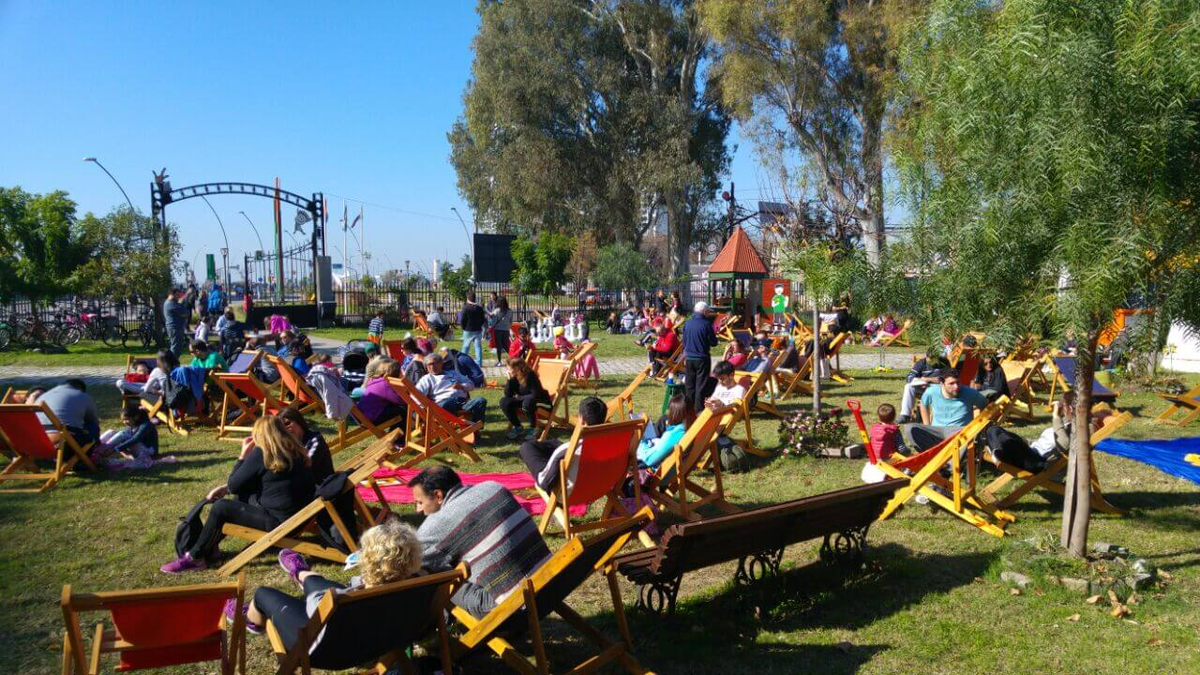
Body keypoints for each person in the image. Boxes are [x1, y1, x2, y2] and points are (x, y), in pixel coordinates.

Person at [161, 416, 315, 573]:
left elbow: (234, 485)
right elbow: (244, 486)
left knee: (221, 507)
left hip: (280, 524)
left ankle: (195, 558)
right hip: (299, 519)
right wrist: (227, 488)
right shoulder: (296, 450)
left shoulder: (263, 452)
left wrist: (242, 457)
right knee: (241, 497)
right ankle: (210, 548)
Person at [231, 518, 422, 640]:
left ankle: (252, 620)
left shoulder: (344, 598)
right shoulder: (418, 587)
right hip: (383, 639)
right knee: (317, 583)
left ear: (368, 558)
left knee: (263, 593)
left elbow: (313, 606)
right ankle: (301, 573)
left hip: (326, 647)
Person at [408, 465, 551, 618]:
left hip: (514, 607)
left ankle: (436, 624)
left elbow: (411, 562)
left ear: (438, 496)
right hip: (551, 581)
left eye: (420, 502)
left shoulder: (438, 523)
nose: (418, 510)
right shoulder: (493, 487)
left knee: (436, 577)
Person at [517, 396, 607, 491]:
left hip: (566, 492)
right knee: (555, 443)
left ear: (582, 420)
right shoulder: (608, 446)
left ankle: (546, 460)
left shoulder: (568, 449)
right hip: (594, 486)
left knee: (526, 447)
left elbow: (544, 483)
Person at [902, 368, 988, 451]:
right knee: (910, 428)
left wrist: (978, 426)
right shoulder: (931, 391)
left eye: (958, 382)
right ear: (942, 384)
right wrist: (927, 425)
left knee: (963, 439)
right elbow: (923, 405)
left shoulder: (970, 393)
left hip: (958, 431)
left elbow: (986, 406)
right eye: (951, 383)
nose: (956, 386)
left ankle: (949, 461)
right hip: (937, 430)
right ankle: (931, 454)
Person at [415, 353, 487, 422]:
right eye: (429, 364)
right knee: (449, 402)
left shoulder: (453, 373)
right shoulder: (427, 379)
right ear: (426, 367)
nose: (432, 367)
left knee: (481, 400)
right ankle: (451, 426)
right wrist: (424, 409)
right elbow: (416, 396)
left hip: (462, 403)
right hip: (443, 404)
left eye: (435, 363)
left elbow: (471, 385)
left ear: (441, 363)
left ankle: (475, 427)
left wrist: (461, 386)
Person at [277, 405, 334, 484]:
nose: (286, 429)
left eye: (287, 423)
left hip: (324, 486)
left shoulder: (315, 440)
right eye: (282, 428)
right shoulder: (287, 447)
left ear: (299, 421)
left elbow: (306, 467)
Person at [37, 379, 100, 447]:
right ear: (81, 389)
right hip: (64, 443)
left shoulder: (44, 396)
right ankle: (94, 447)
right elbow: (93, 420)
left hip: (38, 442)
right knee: (92, 425)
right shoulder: (82, 395)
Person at [95, 404, 160, 470]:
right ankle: (98, 447)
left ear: (136, 417)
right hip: (138, 450)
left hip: (149, 452)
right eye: (123, 420)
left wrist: (115, 449)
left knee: (123, 437)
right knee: (112, 432)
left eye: (126, 419)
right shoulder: (134, 423)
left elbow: (136, 439)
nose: (124, 422)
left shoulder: (146, 425)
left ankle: (100, 452)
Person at [636, 394, 691, 470]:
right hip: (676, 466)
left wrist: (639, 441)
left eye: (669, 410)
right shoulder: (689, 429)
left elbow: (649, 460)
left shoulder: (675, 434)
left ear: (673, 414)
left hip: (655, 467)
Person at [500, 357, 549, 441]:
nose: (507, 370)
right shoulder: (513, 376)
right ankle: (518, 426)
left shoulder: (530, 375)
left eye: (509, 368)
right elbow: (508, 395)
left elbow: (535, 394)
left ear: (517, 367)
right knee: (504, 402)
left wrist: (520, 398)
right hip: (522, 399)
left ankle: (532, 428)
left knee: (528, 403)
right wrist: (509, 380)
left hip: (538, 400)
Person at [682, 301, 719, 414]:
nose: (708, 313)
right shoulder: (706, 324)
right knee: (700, 384)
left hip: (689, 357)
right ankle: (698, 409)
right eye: (707, 311)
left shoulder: (687, 323)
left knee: (689, 383)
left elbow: (684, 340)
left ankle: (688, 407)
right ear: (703, 311)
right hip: (702, 358)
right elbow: (713, 342)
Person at [898, 346, 948, 423]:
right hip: (922, 388)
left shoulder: (944, 363)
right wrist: (920, 381)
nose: (930, 362)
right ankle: (905, 415)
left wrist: (929, 380)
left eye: (932, 360)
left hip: (938, 388)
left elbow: (948, 378)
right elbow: (909, 377)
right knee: (908, 386)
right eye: (928, 359)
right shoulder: (921, 363)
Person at [357, 357, 407, 428]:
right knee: (403, 411)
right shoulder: (385, 384)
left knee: (397, 410)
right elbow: (401, 400)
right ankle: (398, 438)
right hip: (372, 418)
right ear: (395, 373)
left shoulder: (375, 380)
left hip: (365, 416)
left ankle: (396, 435)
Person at [459, 292, 487, 365]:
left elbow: (462, 320)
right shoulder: (479, 308)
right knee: (478, 347)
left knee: (465, 346)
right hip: (477, 329)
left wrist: (463, 327)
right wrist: (479, 325)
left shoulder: (465, 307)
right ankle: (479, 362)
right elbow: (483, 319)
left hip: (468, 329)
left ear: (468, 298)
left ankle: (462, 362)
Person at [163, 287, 192, 356]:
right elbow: (185, 312)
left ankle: (173, 362)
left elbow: (185, 313)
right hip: (174, 328)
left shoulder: (174, 303)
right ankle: (172, 363)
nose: (178, 297)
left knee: (177, 347)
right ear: (171, 294)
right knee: (175, 347)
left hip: (177, 327)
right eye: (177, 295)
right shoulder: (170, 304)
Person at [490, 296, 512, 367]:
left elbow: (493, 323)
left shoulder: (496, 311)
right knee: (506, 346)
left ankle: (499, 361)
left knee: (499, 346)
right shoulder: (510, 311)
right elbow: (510, 322)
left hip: (498, 330)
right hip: (506, 330)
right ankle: (513, 357)